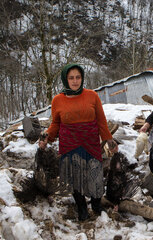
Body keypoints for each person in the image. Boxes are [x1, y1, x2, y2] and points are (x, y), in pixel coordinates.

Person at [39, 63, 118, 221]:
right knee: (76, 178)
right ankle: (82, 207)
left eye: (78, 77)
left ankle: (96, 204)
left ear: (82, 78)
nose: (75, 81)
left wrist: (109, 140)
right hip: (70, 144)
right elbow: (56, 123)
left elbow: (101, 121)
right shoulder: (58, 100)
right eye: (71, 78)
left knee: (95, 175)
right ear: (65, 79)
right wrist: (47, 136)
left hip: (91, 142)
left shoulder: (92, 96)